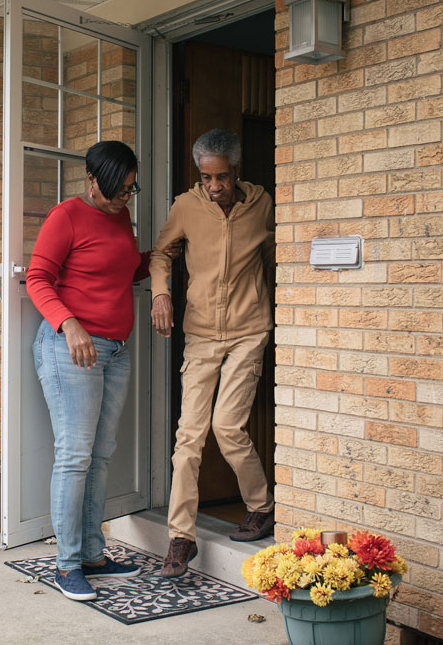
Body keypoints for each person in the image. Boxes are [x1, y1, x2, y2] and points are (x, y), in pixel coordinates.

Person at [26, 140, 150, 602]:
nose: (124, 198)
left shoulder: (119, 215)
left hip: (115, 351)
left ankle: (94, 555)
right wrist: (68, 322)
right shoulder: (67, 216)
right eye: (117, 190)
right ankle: (66, 564)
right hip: (70, 349)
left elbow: (117, 272)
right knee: (75, 455)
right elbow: (38, 278)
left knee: (100, 454)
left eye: (131, 190)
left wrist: (156, 258)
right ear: (92, 181)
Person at [150, 129, 276, 578]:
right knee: (189, 438)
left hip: (248, 330)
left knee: (227, 426)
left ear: (236, 171)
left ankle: (260, 507)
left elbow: (274, 254)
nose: (215, 186)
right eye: (207, 178)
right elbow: (162, 254)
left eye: (221, 177)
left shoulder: (262, 205)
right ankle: (180, 538)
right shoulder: (186, 206)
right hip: (201, 333)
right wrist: (161, 294)